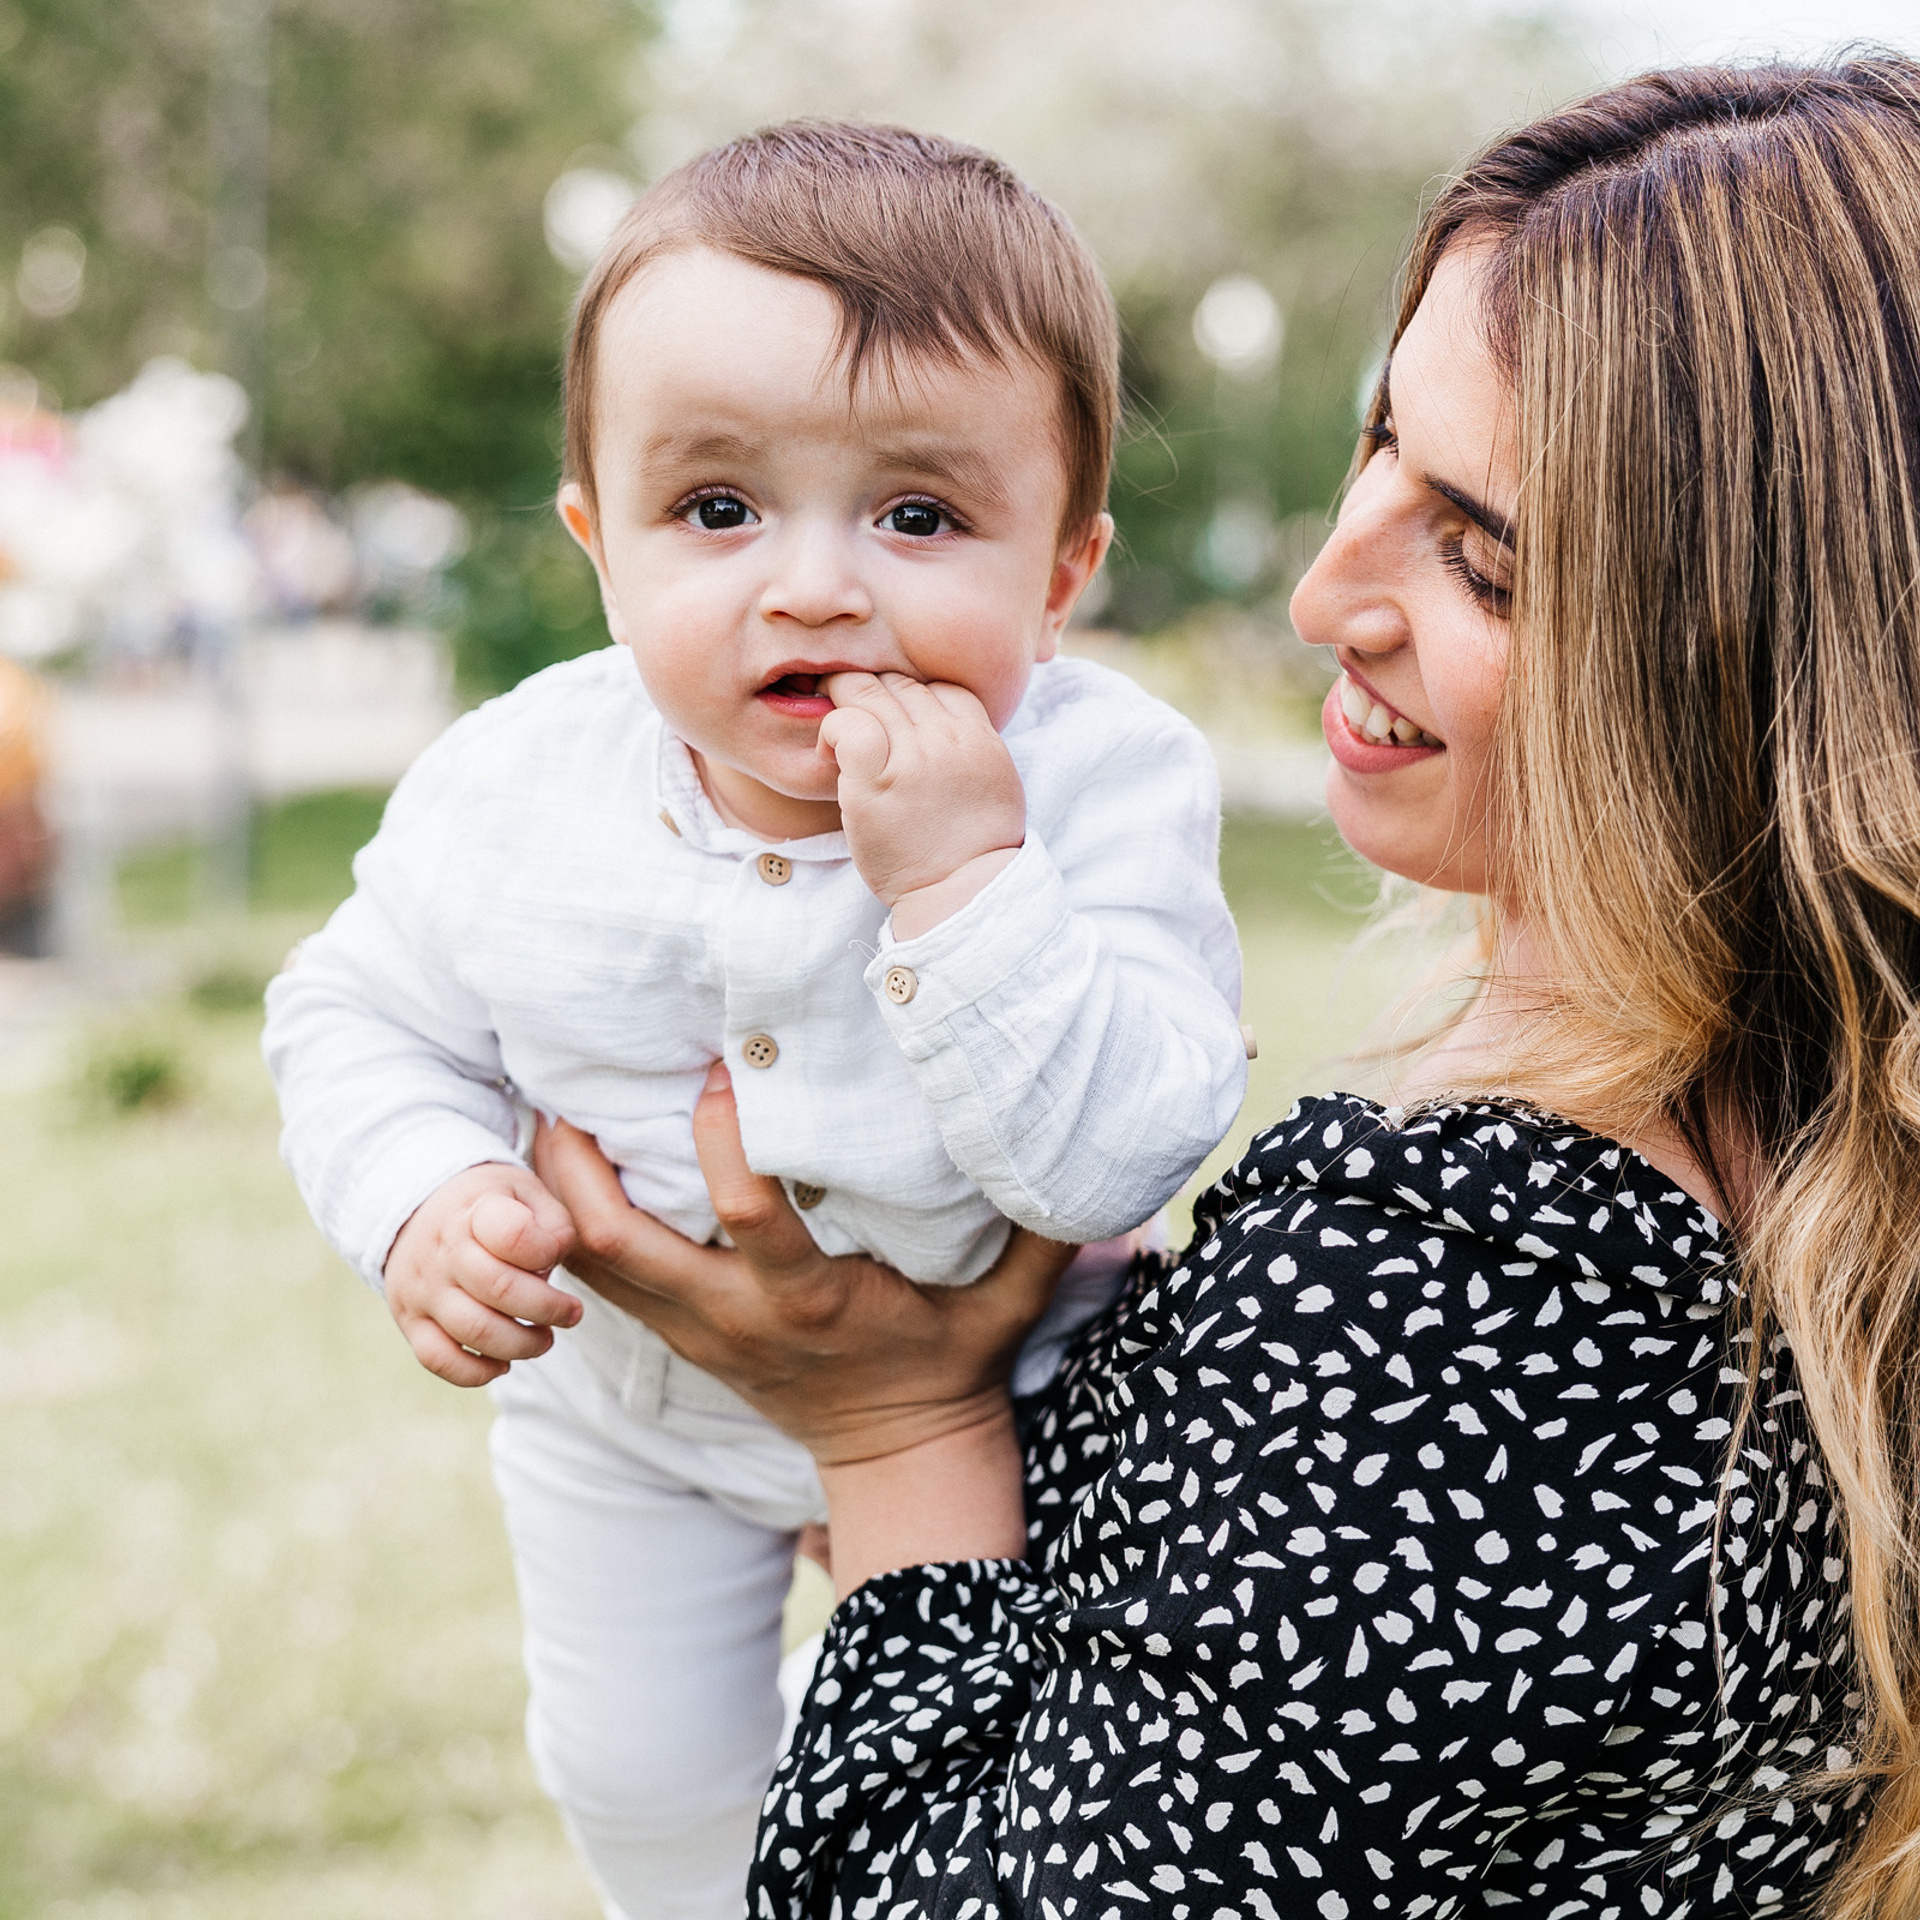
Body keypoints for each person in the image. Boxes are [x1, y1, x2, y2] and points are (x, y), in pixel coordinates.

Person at [532, 56, 1920, 1920]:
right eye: (1377, 450)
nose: (1327, 591)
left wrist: (896, 1430)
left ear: (1744, 661)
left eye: (1481, 560)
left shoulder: (1474, 1269)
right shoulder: (1824, 1144)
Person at [262, 124, 1249, 1920]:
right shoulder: (515, 788)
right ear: (601, 545)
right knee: (639, 1786)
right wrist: (419, 1192)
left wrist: (964, 884)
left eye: (920, 515)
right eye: (717, 511)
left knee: (995, 1779)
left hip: (1026, 1416)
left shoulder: (1100, 787)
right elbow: (354, 1012)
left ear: (1063, 565)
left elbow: (1120, 1146)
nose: (813, 585)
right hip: (626, 1416)